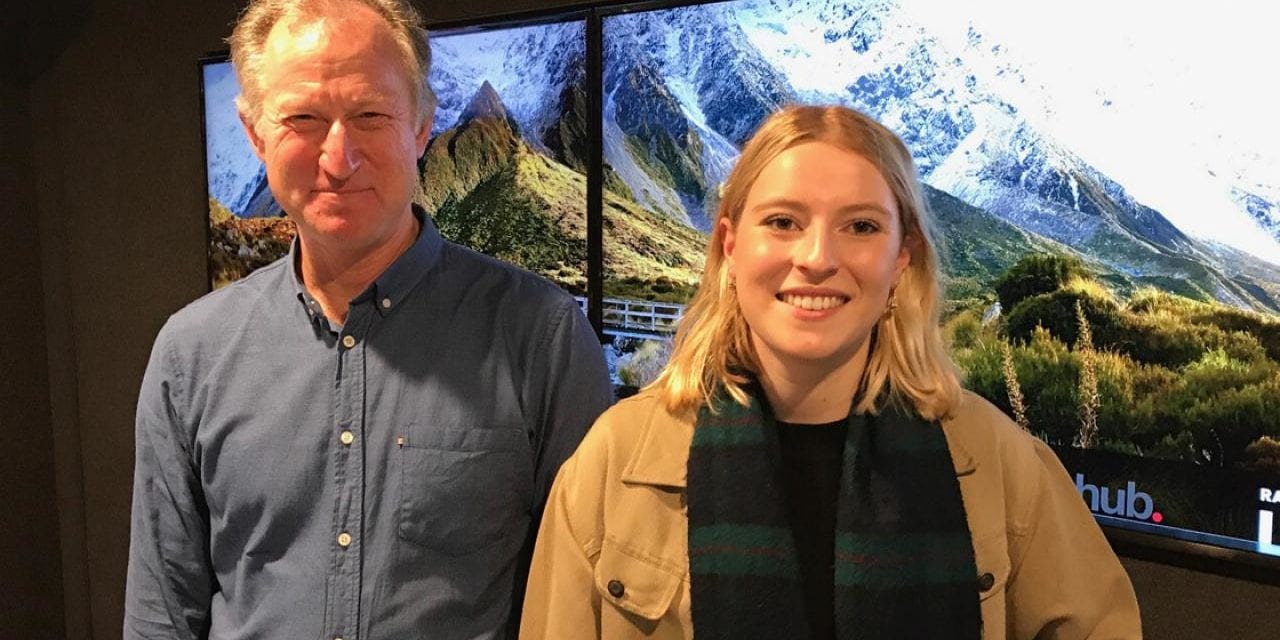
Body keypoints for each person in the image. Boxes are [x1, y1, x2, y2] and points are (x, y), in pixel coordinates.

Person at [520, 105, 1141, 640]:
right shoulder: (613, 461)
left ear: (903, 256)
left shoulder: (996, 459)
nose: (817, 258)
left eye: (861, 227)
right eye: (783, 222)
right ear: (731, 247)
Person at [124, 1, 612, 638]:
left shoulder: (541, 338)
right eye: (302, 118)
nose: (338, 156)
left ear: (421, 126)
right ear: (254, 132)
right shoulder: (190, 355)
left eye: (370, 115)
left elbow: (583, 607)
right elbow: (162, 615)